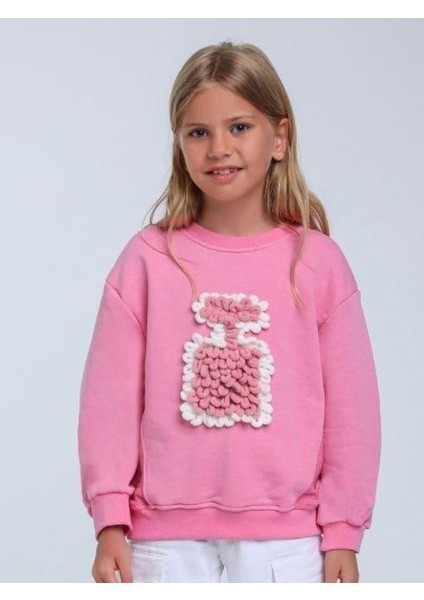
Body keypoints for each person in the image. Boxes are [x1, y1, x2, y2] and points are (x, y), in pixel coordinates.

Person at [77, 40, 381, 584]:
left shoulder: (317, 264)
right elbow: (109, 401)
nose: (219, 148)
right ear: (179, 144)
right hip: (162, 536)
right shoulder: (147, 260)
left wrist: (343, 529)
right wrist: (110, 518)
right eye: (198, 132)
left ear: (279, 138)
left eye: (239, 127)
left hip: (288, 538)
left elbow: (352, 410)